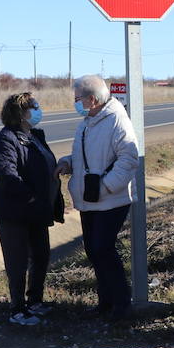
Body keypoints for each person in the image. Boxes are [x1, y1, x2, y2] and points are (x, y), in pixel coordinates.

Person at [58, 75, 139, 322]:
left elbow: (129, 158)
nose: (76, 103)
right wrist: (68, 163)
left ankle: (122, 304)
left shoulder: (116, 120)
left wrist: (106, 187)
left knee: (104, 248)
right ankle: (105, 302)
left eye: (77, 99)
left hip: (111, 199)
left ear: (92, 99)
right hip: (89, 199)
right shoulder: (87, 122)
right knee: (94, 251)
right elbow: (87, 156)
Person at [0, 92, 64, 326]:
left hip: (37, 211)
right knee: (17, 262)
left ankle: (35, 302)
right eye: (34, 106)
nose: (39, 109)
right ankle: (17, 309)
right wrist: (29, 196)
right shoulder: (7, 139)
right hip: (15, 212)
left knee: (41, 257)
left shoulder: (35, 137)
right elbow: (5, 172)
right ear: (21, 113)